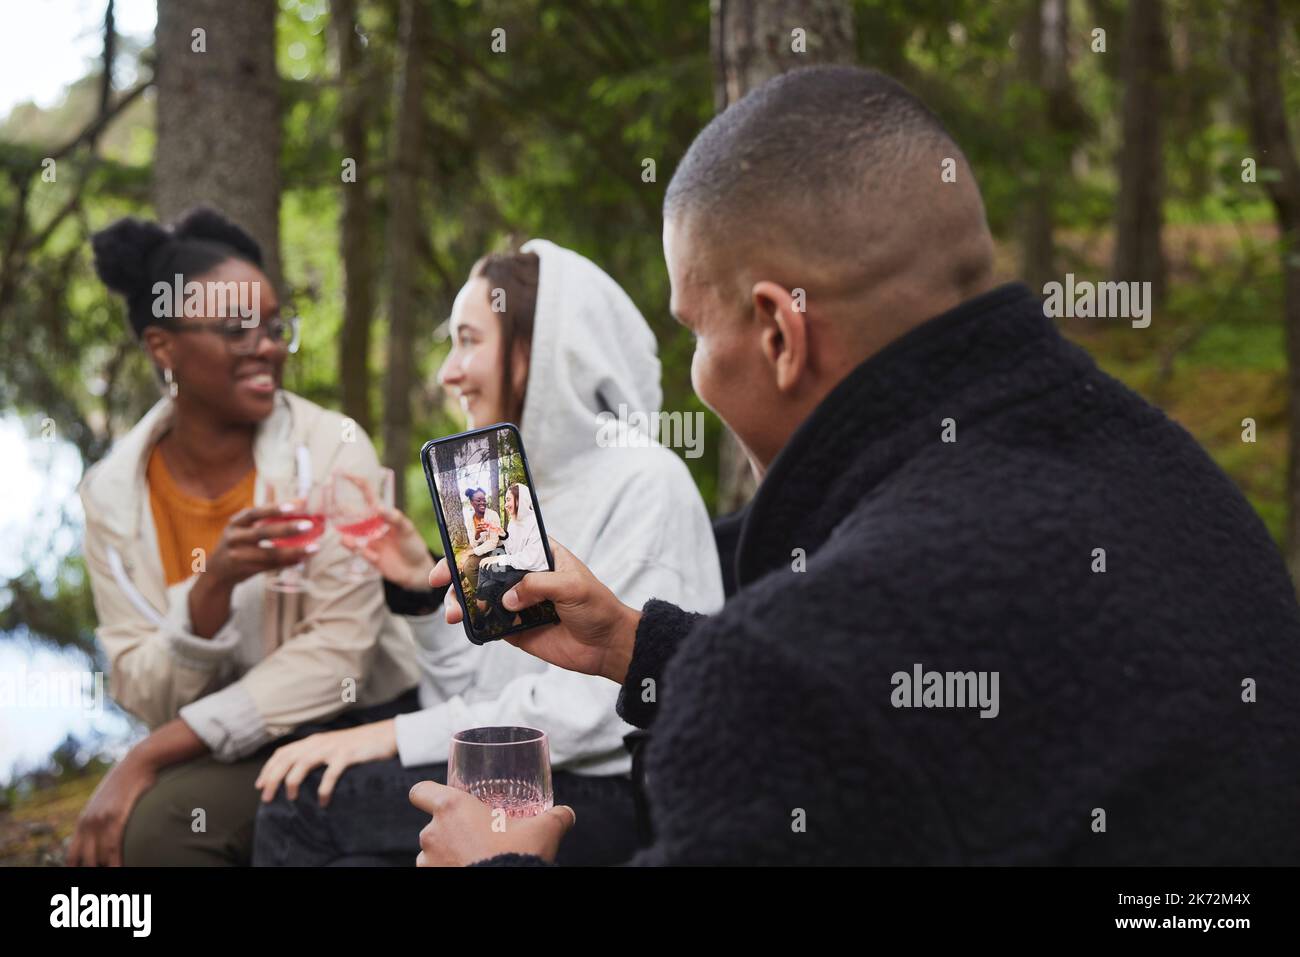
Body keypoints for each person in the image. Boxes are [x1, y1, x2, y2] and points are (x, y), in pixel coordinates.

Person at [407, 65, 1300, 866]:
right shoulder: (1179, 477)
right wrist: (639, 646)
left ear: (778, 334)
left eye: (693, 332)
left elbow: (847, 680)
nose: (695, 373)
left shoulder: (795, 667)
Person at [252, 241, 724, 866]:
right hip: (506, 767)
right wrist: (420, 593)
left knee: (301, 805)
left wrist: (389, 737)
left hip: (604, 794)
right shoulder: (500, 493)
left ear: (542, 351)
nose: (448, 371)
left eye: (470, 340)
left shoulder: (645, 480)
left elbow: (593, 716)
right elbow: (464, 687)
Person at [70, 208, 420, 866]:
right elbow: (140, 686)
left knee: (178, 825)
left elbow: (341, 655)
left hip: (357, 720)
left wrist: (146, 755)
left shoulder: (330, 448)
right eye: (236, 330)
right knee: (144, 836)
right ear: (162, 348)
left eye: (273, 325)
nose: (268, 346)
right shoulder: (111, 497)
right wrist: (212, 586)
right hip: (221, 744)